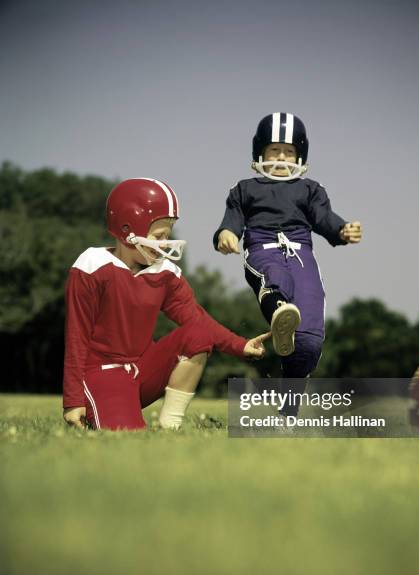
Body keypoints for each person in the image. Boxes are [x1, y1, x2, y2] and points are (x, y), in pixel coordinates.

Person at [63, 177, 270, 431]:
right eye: (159, 235)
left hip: (141, 371)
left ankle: (169, 426)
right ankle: (108, 409)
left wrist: (241, 345)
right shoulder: (92, 266)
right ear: (128, 228)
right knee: (127, 438)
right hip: (101, 374)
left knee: (198, 334)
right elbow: (77, 337)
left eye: (168, 235)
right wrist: (73, 401)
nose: (165, 243)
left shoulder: (165, 272)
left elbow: (197, 320)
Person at [213, 112, 362, 388]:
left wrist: (342, 230)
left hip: (301, 253)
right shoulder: (244, 189)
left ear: (300, 156)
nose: (281, 158)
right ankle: (279, 309)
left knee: (309, 334)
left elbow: (323, 218)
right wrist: (226, 235)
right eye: (274, 150)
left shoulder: (311, 189)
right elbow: (231, 221)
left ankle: (289, 405)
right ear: (260, 153)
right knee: (274, 275)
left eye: (288, 152)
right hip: (262, 246)